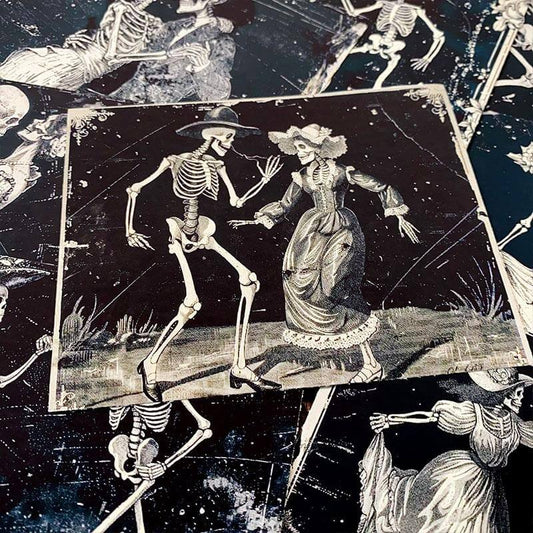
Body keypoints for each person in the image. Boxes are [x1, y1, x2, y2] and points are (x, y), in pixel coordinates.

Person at [230, 124, 419, 383]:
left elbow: (380, 186)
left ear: (318, 147)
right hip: (312, 233)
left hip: (342, 229)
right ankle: (370, 364)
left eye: (302, 147)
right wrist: (258, 219)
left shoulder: (342, 171)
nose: (298, 152)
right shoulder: (301, 176)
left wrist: (397, 213)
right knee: (301, 282)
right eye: (297, 148)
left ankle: (370, 363)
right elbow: (286, 204)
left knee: (335, 286)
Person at [359, 368, 533, 532]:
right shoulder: (475, 413)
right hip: (459, 477)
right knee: (442, 519)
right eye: (518, 392)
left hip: (488, 485)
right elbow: (430, 417)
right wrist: (389, 419)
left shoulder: (515, 423)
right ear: (504, 394)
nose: (521, 397)